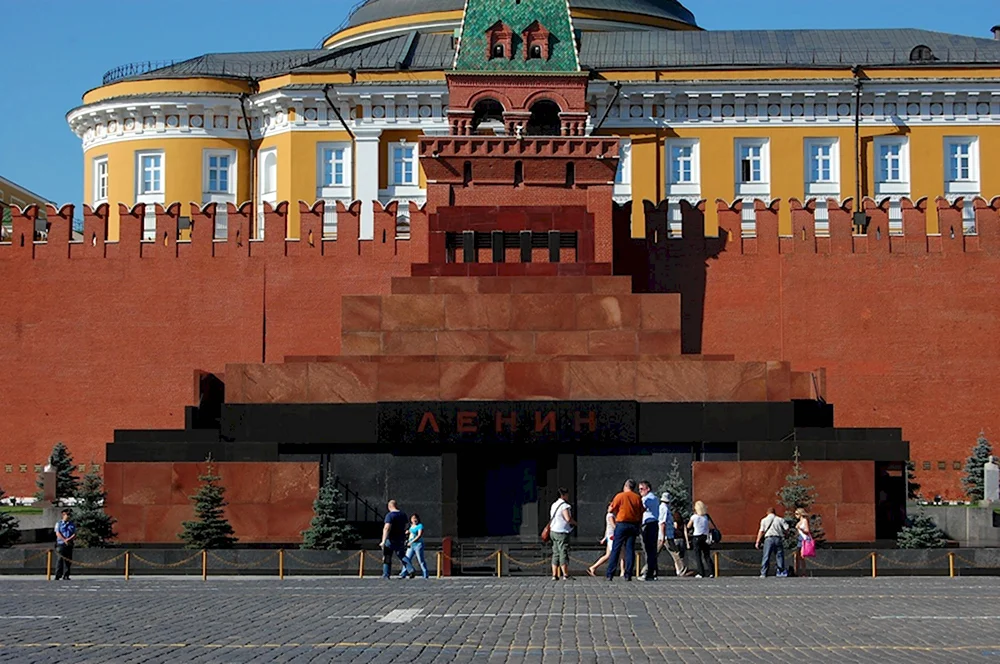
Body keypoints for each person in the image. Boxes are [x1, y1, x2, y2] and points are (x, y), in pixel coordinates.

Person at [605, 479, 644, 581]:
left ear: (626, 486)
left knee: (616, 548)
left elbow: (611, 509)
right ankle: (628, 574)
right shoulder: (637, 498)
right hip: (633, 525)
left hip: (621, 524)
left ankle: (610, 573)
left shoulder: (620, 496)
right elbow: (641, 511)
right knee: (630, 549)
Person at [588, 503, 625, 578]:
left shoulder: (612, 515)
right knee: (621, 554)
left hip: (610, 536)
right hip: (613, 537)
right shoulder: (610, 515)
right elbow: (613, 526)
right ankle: (622, 571)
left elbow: (607, 528)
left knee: (609, 555)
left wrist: (605, 538)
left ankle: (593, 567)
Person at [549, 488, 576, 580]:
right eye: (567, 495)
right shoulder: (564, 506)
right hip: (562, 532)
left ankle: (554, 574)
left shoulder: (554, 505)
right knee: (563, 552)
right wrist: (575, 523)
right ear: (563, 495)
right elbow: (567, 518)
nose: (568, 496)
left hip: (553, 531)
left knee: (555, 552)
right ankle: (565, 574)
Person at [685, 500, 718, 578]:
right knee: (707, 555)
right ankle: (711, 572)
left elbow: (688, 526)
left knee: (698, 555)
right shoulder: (706, 517)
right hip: (705, 537)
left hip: (697, 537)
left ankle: (701, 573)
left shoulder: (694, 517)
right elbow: (710, 526)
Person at [658, 492, 688, 577]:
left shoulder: (663, 508)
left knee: (673, 552)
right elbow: (662, 523)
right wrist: (663, 536)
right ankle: (682, 570)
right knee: (674, 553)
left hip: (665, 535)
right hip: (666, 536)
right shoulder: (664, 509)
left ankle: (681, 570)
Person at [755, 507, 789, 578]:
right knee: (779, 555)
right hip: (778, 538)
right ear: (775, 512)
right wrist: (785, 535)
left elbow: (761, 531)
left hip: (768, 539)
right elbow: (787, 528)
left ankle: (763, 573)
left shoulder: (764, 520)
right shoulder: (780, 519)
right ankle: (780, 572)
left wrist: (757, 541)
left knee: (766, 556)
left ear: (767, 512)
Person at [380, 499, 409, 579]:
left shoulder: (390, 515)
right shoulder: (403, 514)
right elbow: (406, 526)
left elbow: (387, 528)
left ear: (389, 506)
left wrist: (383, 541)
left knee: (387, 556)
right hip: (400, 538)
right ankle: (410, 569)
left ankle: (386, 574)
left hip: (390, 539)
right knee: (402, 555)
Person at [637, 481, 659, 581]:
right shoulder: (655, 498)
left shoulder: (647, 498)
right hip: (654, 524)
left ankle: (649, 573)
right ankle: (653, 572)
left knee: (648, 549)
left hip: (648, 524)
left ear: (648, 489)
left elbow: (641, 508)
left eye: (642, 489)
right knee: (652, 549)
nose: (640, 491)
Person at [400, 513, 429, 579]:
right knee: (407, 559)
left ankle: (425, 574)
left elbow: (419, 535)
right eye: (413, 518)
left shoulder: (420, 526)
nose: (414, 520)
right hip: (411, 545)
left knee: (420, 560)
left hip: (418, 545)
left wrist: (411, 541)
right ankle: (403, 573)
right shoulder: (411, 526)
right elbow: (410, 532)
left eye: (415, 518)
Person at [54, 510, 76, 581]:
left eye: (69, 515)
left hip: (69, 544)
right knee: (60, 559)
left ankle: (66, 575)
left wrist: (68, 539)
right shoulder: (59, 524)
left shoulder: (72, 524)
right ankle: (58, 575)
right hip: (61, 544)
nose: (69, 516)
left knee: (68, 560)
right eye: (67, 514)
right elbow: (58, 533)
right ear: (63, 515)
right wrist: (64, 540)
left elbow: (74, 534)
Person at [795, 507, 813, 575]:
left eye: (797, 514)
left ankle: (803, 572)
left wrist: (800, 529)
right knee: (797, 556)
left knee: (802, 556)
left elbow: (807, 531)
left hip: (804, 539)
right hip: (800, 538)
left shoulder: (804, 520)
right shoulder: (799, 522)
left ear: (800, 514)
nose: (795, 515)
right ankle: (797, 571)